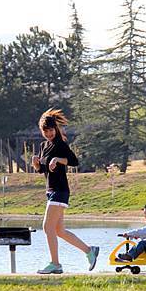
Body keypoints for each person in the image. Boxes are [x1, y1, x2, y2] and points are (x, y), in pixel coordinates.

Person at [32, 108, 100, 274]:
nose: (48, 134)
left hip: (60, 190)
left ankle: (55, 264)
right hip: (50, 191)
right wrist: (36, 164)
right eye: (45, 131)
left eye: (50, 130)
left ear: (55, 128)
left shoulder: (60, 145)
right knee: (58, 231)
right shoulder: (44, 146)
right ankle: (89, 251)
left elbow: (74, 161)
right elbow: (43, 170)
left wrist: (58, 159)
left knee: (47, 227)